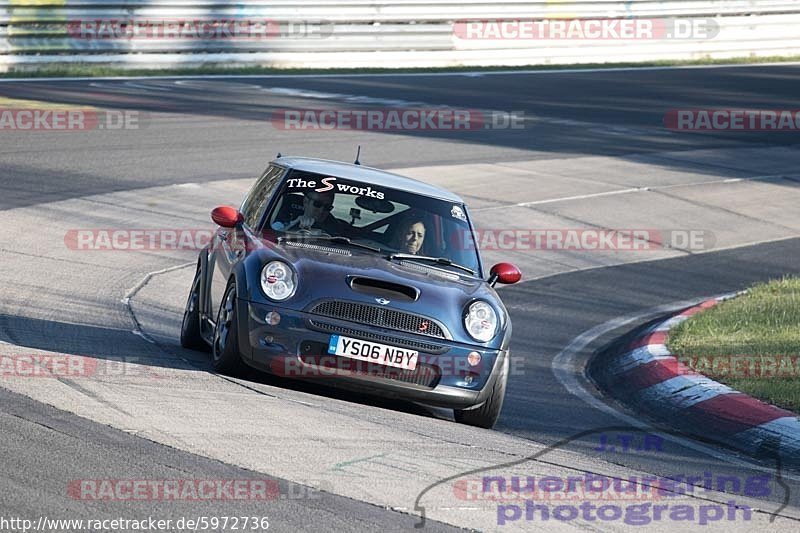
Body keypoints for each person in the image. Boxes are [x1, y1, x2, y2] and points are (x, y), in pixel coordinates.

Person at [274, 189, 344, 235]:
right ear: (306, 202)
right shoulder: (283, 221)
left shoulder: (334, 228)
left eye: (327, 207)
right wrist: (293, 226)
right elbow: (272, 237)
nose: (321, 211)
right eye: (317, 204)